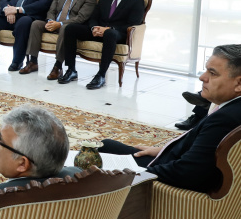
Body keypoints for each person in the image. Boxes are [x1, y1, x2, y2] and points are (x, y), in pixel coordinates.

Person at [99, 45, 241, 193]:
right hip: (172, 159)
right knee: (106, 146)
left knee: (97, 155)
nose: (202, 77)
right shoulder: (231, 109)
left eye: (212, 73)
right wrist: (164, 149)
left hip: (166, 177)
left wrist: (133, 174)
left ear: (239, 83)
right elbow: (207, 151)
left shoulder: (225, 118)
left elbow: (188, 172)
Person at [58, 0, 145, 89]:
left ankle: (101, 75)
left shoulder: (136, 1)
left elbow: (133, 24)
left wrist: (109, 28)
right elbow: (94, 17)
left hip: (118, 34)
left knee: (110, 33)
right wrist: (94, 27)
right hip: (98, 31)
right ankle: (71, 70)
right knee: (70, 28)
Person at [19, 0, 97, 78]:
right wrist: (50, 21)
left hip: (69, 25)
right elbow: (52, 10)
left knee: (66, 28)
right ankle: (33, 62)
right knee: (36, 24)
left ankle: (58, 66)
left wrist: (59, 24)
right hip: (54, 23)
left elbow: (81, 17)